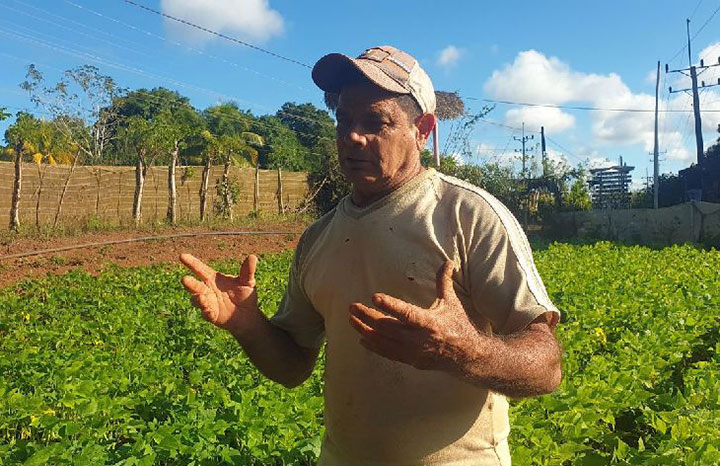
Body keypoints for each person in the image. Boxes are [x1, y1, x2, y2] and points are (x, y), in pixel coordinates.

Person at [180, 45, 562, 466]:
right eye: (344, 120)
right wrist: (247, 324)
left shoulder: (468, 216)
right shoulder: (318, 238)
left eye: (376, 122)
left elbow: (546, 367)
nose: (352, 136)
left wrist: (462, 350)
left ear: (422, 130)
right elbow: (292, 367)